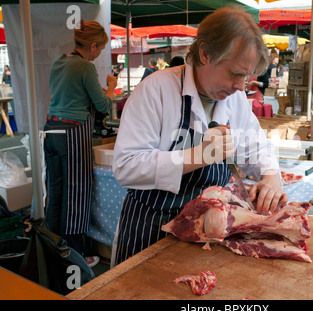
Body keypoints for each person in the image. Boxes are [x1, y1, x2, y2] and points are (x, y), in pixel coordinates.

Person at [111, 6, 287, 266]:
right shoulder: (156, 90)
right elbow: (126, 167)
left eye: (247, 76)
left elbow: (256, 146)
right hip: (150, 230)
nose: (241, 86)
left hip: (208, 233)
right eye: (235, 73)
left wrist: (271, 176)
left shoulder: (235, 98)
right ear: (205, 53)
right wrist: (197, 156)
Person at [44, 20, 117, 268]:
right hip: (73, 133)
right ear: (93, 45)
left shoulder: (58, 61)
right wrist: (111, 88)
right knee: (76, 193)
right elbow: (103, 105)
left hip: (51, 131)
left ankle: (51, 247)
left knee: (55, 191)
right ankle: (74, 255)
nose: (98, 55)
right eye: (99, 49)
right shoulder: (85, 67)